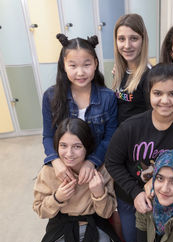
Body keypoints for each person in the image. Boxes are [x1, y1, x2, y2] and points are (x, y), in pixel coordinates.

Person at [105, 63, 173, 242]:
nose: (165, 100)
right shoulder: (130, 127)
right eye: (158, 93)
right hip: (133, 195)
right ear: (149, 94)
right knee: (132, 240)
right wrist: (135, 192)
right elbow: (112, 162)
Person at [33, 118, 126, 242]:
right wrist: (57, 198)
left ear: (87, 147)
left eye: (77, 146)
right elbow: (40, 211)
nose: (69, 154)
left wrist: (99, 194)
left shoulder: (102, 170)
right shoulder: (48, 171)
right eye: (63, 146)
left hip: (95, 224)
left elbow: (106, 213)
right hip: (61, 226)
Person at [42, 33, 117, 184]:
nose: (80, 72)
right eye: (73, 65)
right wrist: (55, 161)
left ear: (95, 64)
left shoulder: (108, 97)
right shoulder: (50, 96)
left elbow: (110, 138)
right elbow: (48, 136)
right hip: (65, 168)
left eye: (86, 64)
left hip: (98, 169)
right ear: (64, 66)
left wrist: (91, 161)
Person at [113, 13, 151, 124]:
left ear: (143, 40)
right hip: (121, 136)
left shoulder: (150, 76)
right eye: (121, 39)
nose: (127, 45)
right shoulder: (119, 72)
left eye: (134, 38)